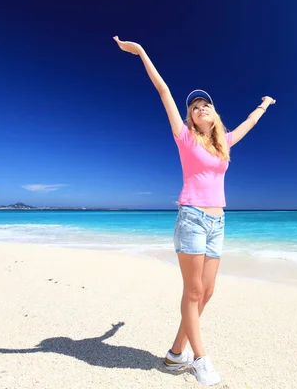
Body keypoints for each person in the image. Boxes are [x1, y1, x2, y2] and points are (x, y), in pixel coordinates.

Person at [113, 35, 276, 386]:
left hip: (218, 220)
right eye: (194, 107)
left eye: (205, 105)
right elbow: (164, 90)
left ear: (215, 113)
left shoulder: (224, 143)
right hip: (192, 218)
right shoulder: (185, 138)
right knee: (193, 292)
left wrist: (264, 104)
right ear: (189, 117)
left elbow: (249, 123)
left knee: (209, 291)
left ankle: (175, 354)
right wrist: (141, 51)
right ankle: (200, 360)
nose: (199, 108)